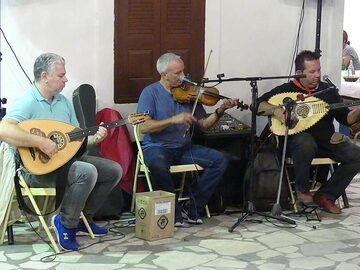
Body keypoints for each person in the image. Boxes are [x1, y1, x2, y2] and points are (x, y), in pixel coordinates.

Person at [0, 53, 122, 251]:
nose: (66, 79)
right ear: (44, 76)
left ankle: (85, 218)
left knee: (114, 170)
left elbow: (75, 140)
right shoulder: (27, 100)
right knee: (86, 171)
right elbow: (3, 129)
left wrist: (94, 138)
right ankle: (66, 223)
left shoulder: (63, 102)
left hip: (64, 161)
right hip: (35, 170)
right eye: (61, 75)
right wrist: (40, 141)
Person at [136, 52, 238, 226]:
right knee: (158, 165)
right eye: (177, 73)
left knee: (219, 160)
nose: (183, 77)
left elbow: (204, 124)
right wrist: (173, 120)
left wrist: (220, 111)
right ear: (164, 75)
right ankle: (173, 213)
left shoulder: (189, 93)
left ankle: (193, 206)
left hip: (183, 148)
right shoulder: (150, 93)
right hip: (157, 147)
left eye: (183, 71)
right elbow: (143, 127)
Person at [257, 50, 360, 214]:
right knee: (306, 141)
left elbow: (345, 118)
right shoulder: (286, 90)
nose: (317, 75)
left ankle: (326, 195)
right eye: (312, 72)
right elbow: (257, 105)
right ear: (299, 73)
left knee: (356, 155)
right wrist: (276, 111)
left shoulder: (329, 91)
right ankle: (302, 191)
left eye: (318, 70)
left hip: (326, 141)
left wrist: (357, 111)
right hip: (296, 142)